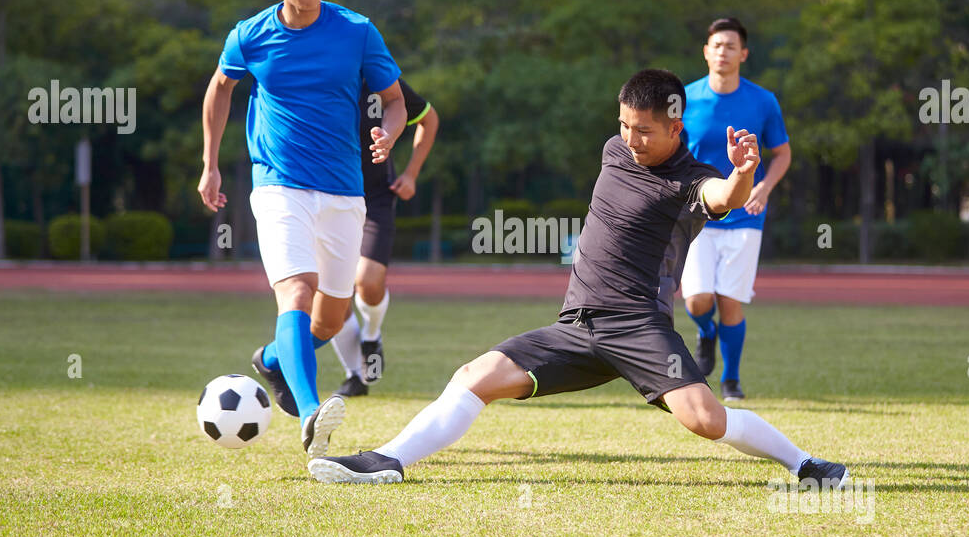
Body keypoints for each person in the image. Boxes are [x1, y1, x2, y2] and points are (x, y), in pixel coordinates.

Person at [307, 69, 847, 489]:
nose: (631, 139)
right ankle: (389, 460)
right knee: (475, 375)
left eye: (645, 130)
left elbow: (721, 199)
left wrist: (743, 174)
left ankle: (807, 465)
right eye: (624, 125)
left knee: (705, 420)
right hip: (576, 325)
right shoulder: (614, 151)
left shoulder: (692, 181)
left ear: (676, 127)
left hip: (639, 328)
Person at [197, 0, 407, 460]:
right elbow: (220, 89)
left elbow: (394, 97)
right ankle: (312, 413)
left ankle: (272, 360)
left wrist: (389, 130)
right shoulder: (249, 35)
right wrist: (211, 164)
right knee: (296, 291)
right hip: (278, 184)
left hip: (344, 190)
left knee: (333, 319)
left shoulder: (358, 31)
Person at [680, 17, 792, 401]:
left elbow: (782, 153)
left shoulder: (763, 101)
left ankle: (731, 380)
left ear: (743, 54)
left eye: (731, 46)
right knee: (697, 300)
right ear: (706, 51)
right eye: (716, 45)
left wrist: (763, 186)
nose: (723, 52)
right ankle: (705, 332)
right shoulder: (685, 99)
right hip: (696, 214)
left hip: (745, 216)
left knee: (730, 302)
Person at [331, 77, 440, 397]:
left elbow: (429, 120)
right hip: (328, 198)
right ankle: (355, 376)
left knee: (367, 279)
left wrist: (411, 174)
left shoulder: (379, 78)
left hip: (375, 199)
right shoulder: (315, 74)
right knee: (333, 294)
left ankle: (372, 336)